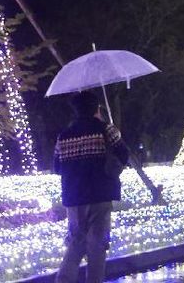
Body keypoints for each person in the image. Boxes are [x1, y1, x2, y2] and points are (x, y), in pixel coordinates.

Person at [53, 91, 129, 283]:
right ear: (96, 109)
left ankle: (63, 280)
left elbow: (57, 167)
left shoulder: (64, 136)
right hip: (100, 195)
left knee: (76, 243)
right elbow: (124, 155)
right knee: (97, 245)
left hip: (74, 198)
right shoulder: (106, 129)